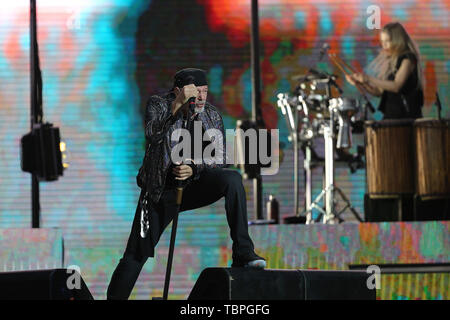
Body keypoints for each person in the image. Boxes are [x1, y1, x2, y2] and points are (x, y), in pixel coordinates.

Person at [106, 68, 266, 300]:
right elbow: (152, 134)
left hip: (194, 185)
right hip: (161, 190)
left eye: (205, 91)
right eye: (195, 92)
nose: (201, 97)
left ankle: (243, 251)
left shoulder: (211, 114)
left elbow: (220, 157)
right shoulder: (159, 104)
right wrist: (178, 105)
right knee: (135, 254)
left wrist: (193, 167)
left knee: (232, 179)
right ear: (178, 90)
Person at [345, 22, 424, 119]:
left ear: (397, 40)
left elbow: (396, 86)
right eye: (382, 42)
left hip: (406, 117)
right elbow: (379, 92)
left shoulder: (408, 59)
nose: (384, 45)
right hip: (391, 114)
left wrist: (368, 78)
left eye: (388, 41)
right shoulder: (391, 59)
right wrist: (361, 83)